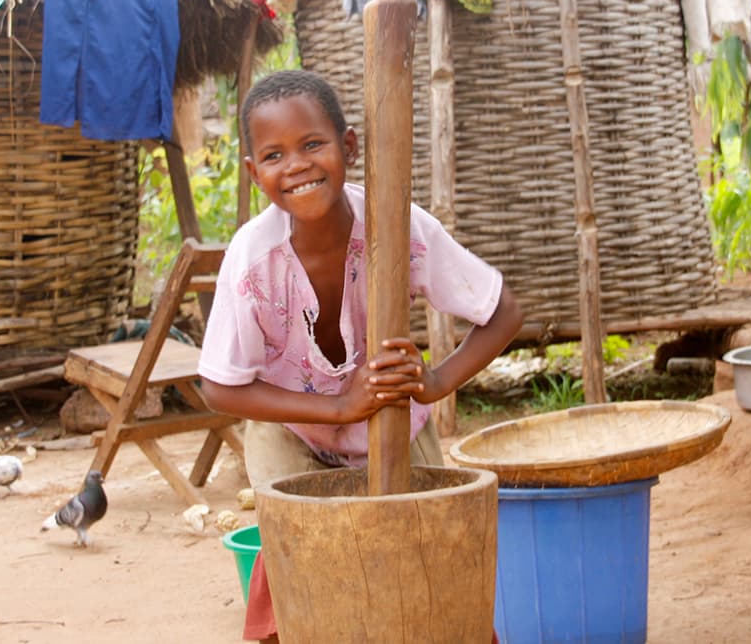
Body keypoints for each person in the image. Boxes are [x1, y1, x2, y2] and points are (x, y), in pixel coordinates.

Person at [197, 69, 523, 642]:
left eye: (313, 144)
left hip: (395, 423)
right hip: (291, 434)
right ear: (254, 173)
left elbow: (503, 312)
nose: (296, 165)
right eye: (273, 154)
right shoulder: (252, 258)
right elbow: (220, 387)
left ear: (348, 146)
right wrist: (341, 407)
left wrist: (437, 382)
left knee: (425, 573)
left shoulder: (396, 224)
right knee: (306, 587)